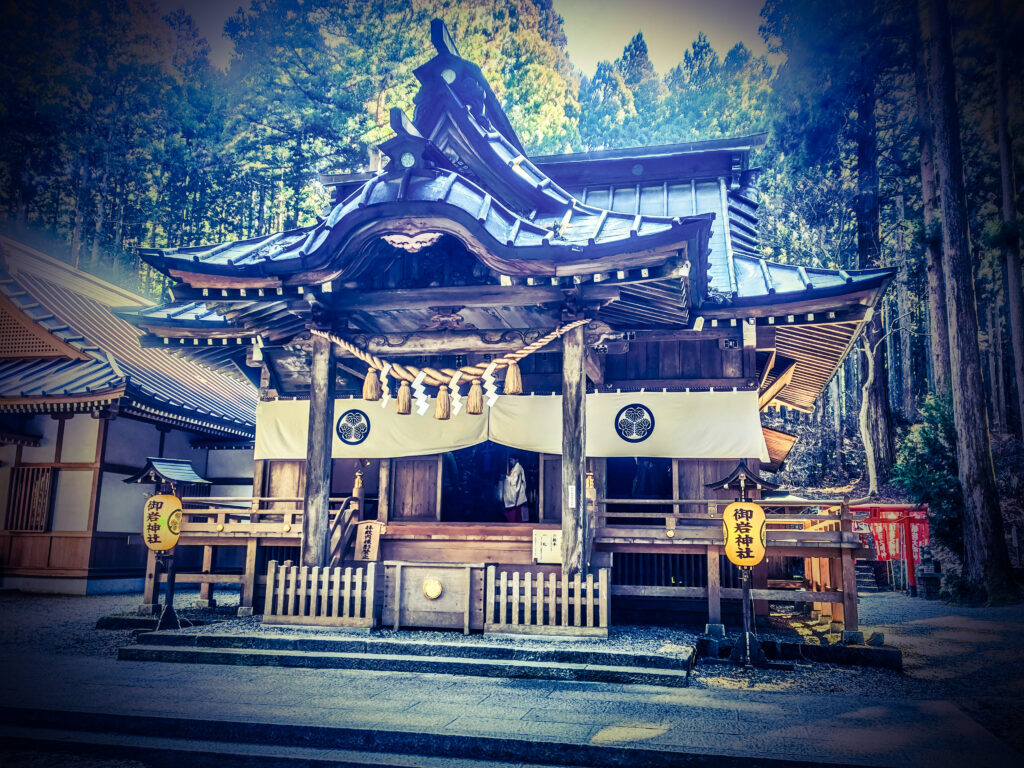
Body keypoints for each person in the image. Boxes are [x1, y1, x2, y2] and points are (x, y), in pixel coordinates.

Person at [502, 454, 528, 523]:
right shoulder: (516, 468)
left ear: (516, 460)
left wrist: (507, 478)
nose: (510, 461)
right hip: (516, 495)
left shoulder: (518, 469)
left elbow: (513, 481)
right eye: (510, 460)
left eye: (511, 460)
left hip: (516, 496)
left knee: (515, 517)